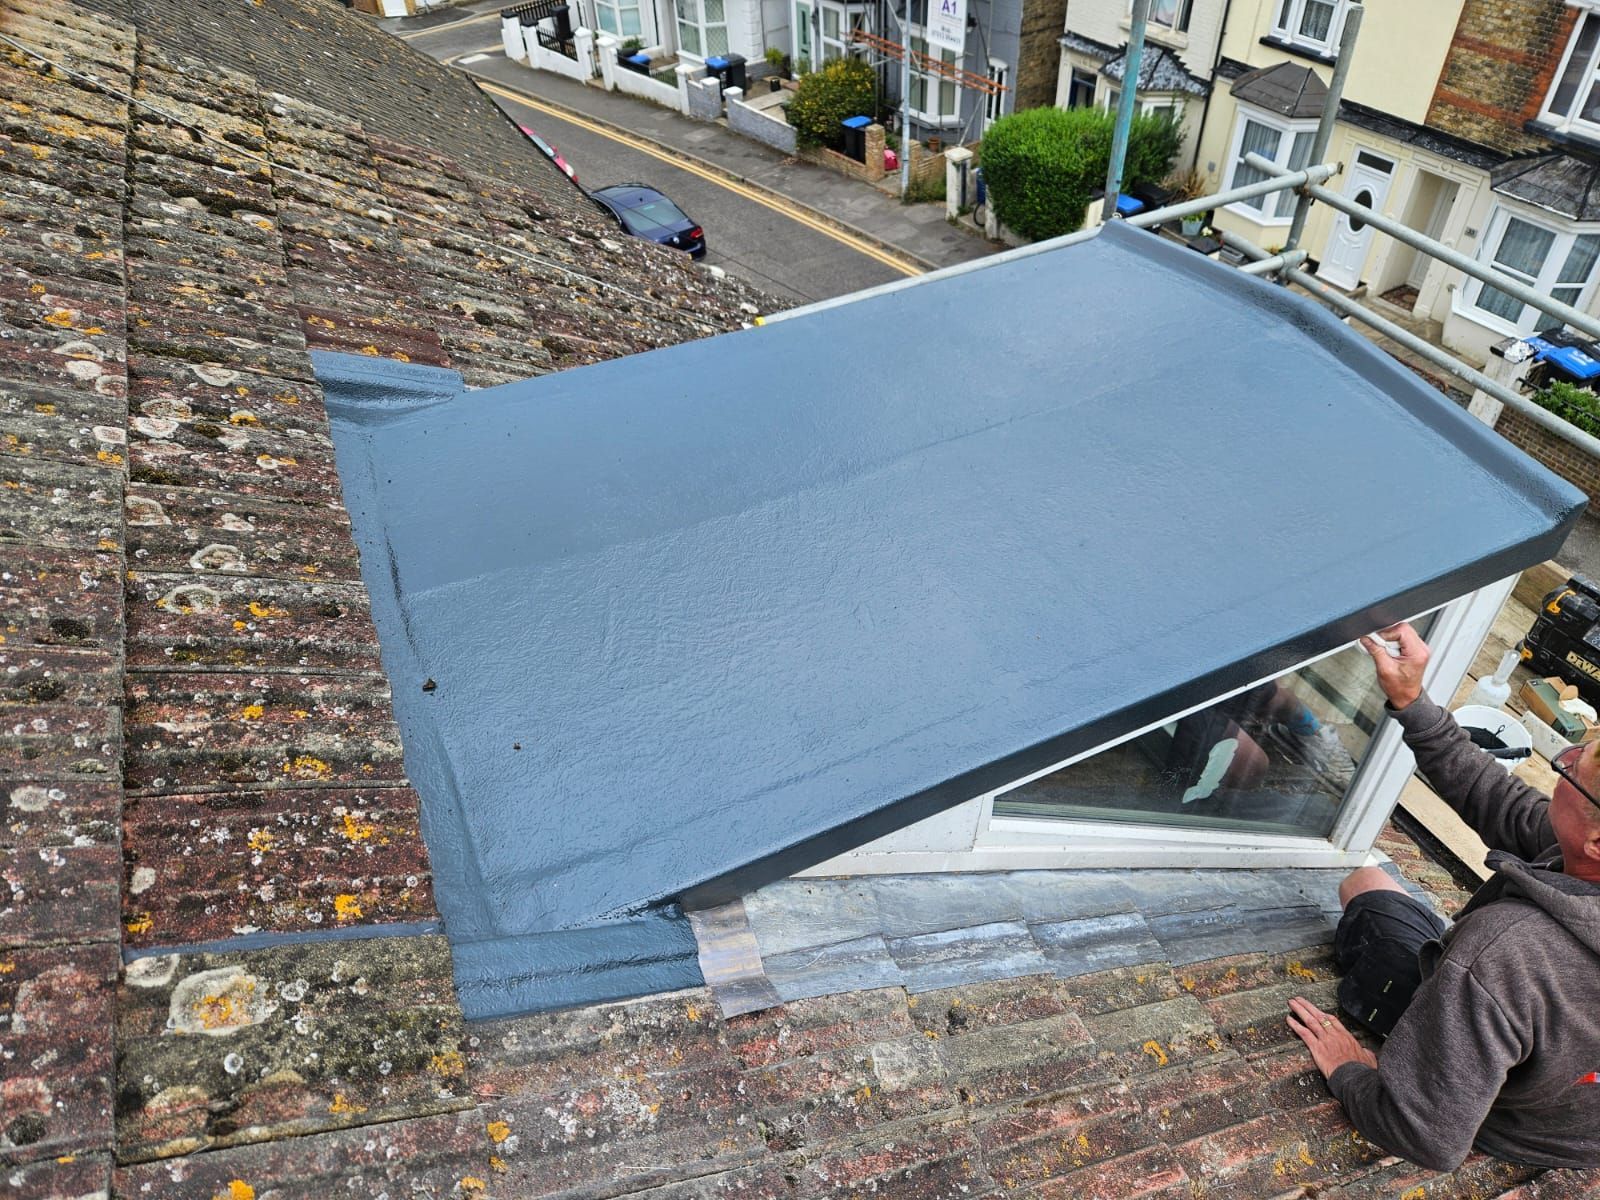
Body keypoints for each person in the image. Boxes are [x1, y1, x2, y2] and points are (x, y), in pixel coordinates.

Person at [1286, 622, 1600, 1171]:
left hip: (1514, 1126)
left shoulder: (1506, 953)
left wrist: (1353, 1073)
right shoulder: (1577, 853)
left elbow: (1426, 1137)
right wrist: (1411, 699)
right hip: (1577, 1122)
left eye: (1575, 769)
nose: (1565, 759)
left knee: (1367, 886)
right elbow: (1494, 797)